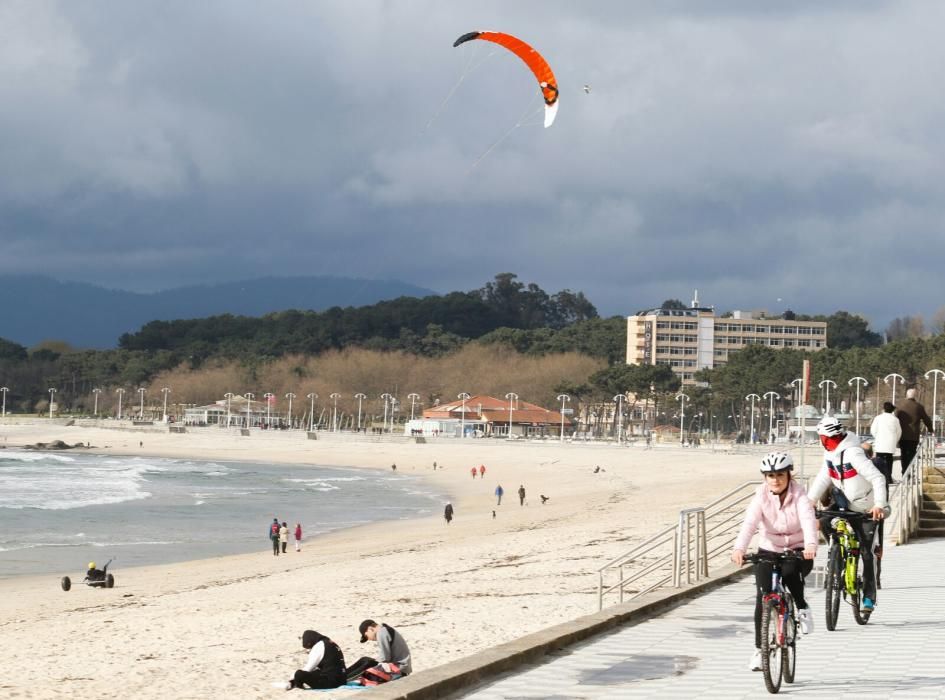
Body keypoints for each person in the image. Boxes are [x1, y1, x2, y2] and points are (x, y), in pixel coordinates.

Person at [731, 452, 817, 673]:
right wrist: (739, 548)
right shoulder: (760, 496)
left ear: (789, 475)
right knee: (763, 597)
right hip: (769, 549)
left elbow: (808, 521)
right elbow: (750, 523)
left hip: (798, 550)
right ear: (764, 477)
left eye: (780, 474)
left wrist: (810, 546)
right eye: (770, 475)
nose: (775, 479)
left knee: (789, 574)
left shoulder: (800, 496)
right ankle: (760, 650)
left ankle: (802, 607)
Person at [808, 415, 889, 614]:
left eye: (822, 438)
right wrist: (808, 502)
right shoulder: (830, 454)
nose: (822, 442)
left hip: (866, 508)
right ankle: (835, 552)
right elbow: (822, 479)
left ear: (827, 438)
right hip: (845, 503)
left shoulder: (853, 454)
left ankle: (868, 597)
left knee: (866, 553)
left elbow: (878, 478)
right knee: (824, 520)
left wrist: (879, 505)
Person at [345, 619, 412, 682]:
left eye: (366, 636)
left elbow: (385, 658)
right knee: (365, 660)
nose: (369, 639)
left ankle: (344, 679)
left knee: (368, 663)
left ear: (370, 629)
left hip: (400, 669)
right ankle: (344, 675)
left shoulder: (381, 633)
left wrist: (374, 662)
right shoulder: (385, 629)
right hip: (401, 666)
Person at [895, 388, 932, 476]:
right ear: (914, 396)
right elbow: (926, 419)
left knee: (903, 454)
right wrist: (930, 429)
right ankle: (910, 472)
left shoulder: (899, 405)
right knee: (912, 454)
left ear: (906, 395)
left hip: (902, 435)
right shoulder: (919, 406)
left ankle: (904, 472)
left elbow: (894, 419)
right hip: (913, 436)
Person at [870, 401, 901, 484]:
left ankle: (880, 478)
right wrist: (895, 440)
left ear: (883, 409)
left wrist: (878, 437)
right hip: (890, 444)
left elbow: (873, 430)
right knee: (889, 461)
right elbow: (899, 432)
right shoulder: (895, 419)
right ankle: (888, 478)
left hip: (880, 443)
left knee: (879, 461)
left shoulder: (878, 418)